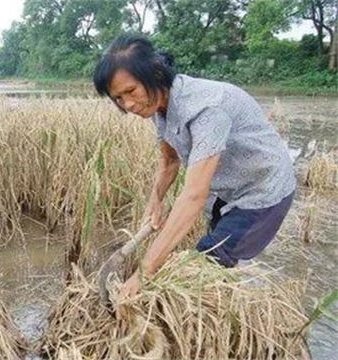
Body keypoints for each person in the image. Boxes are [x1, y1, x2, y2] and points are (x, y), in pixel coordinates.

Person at [92, 36, 296, 298]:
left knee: (205, 263)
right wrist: (155, 201)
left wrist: (145, 271)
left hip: (263, 191)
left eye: (131, 91)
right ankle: (228, 294)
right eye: (118, 98)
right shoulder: (159, 106)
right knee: (220, 262)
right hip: (228, 190)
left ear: (155, 74)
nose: (128, 105)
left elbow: (194, 196)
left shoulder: (207, 109)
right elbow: (169, 159)